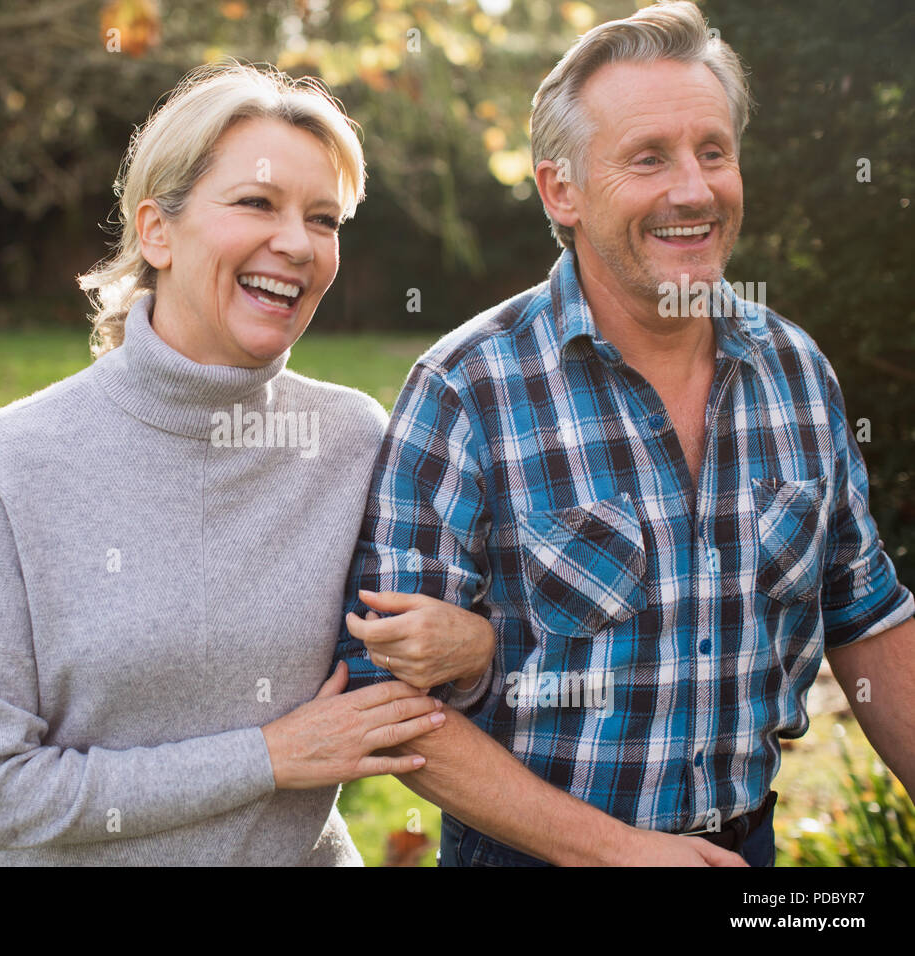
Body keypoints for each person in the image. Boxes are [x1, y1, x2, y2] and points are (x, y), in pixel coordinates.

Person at [336, 0, 915, 867]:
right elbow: (388, 689)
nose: (694, 189)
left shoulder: (796, 372)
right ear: (560, 191)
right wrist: (614, 852)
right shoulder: (467, 390)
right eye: (648, 159)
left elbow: (866, 618)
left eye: (713, 152)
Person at [0, 62, 495, 866]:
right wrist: (267, 756)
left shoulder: (351, 440)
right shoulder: (11, 461)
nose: (297, 244)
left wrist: (476, 650)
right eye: (258, 204)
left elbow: (414, 685)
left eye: (324, 219)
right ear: (156, 230)